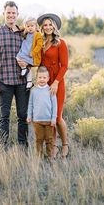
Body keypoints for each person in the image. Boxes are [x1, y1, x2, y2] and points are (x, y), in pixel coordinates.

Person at [0, 1, 29, 148]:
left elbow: (32, 53)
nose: (11, 15)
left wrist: (28, 64)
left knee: (22, 116)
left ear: (17, 15)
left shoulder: (24, 33)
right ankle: (2, 146)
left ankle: (23, 146)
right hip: (4, 80)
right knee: (4, 116)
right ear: (4, 14)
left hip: (22, 81)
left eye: (13, 13)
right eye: (8, 13)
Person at [37, 13, 69, 158]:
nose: (48, 27)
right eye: (45, 25)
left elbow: (65, 66)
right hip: (45, 83)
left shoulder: (60, 43)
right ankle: (53, 146)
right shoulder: (41, 43)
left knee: (57, 117)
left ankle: (65, 145)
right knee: (49, 116)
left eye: (50, 25)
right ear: (42, 28)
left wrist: (56, 82)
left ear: (54, 27)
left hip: (57, 83)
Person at [27, 66, 57, 158]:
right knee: (39, 139)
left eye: (44, 77)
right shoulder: (33, 91)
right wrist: (29, 116)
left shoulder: (50, 90)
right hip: (37, 120)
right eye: (40, 77)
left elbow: (54, 106)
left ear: (48, 78)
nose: (42, 79)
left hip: (48, 120)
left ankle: (50, 157)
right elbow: (31, 104)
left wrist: (53, 118)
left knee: (49, 139)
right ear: (36, 78)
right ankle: (39, 157)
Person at [16, 17, 43, 90]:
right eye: (28, 26)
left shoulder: (37, 34)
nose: (30, 28)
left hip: (31, 54)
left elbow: (39, 45)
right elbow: (20, 28)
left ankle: (29, 81)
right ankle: (25, 71)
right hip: (24, 51)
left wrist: (33, 53)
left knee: (28, 66)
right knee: (18, 58)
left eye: (32, 26)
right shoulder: (26, 33)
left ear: (35, 26)